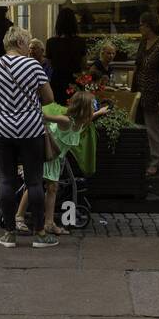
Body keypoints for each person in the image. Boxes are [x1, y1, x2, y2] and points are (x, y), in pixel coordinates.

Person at [0, 25, 61, 249]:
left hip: (1, 128)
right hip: (30, 128)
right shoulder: (32, 65)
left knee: (6, 180)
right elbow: (49, 98)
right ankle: (39, 233)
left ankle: (9, 233)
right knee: (34, 181)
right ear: (20, 43)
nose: (29, 48)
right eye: (27, 43)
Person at [15, 89, 109, 236]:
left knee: (51, 188)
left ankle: (49, 223)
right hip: (44, 155)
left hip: (54, 159)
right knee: (35, 185)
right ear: (83, 110)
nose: (94, 109)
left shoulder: (81, 122)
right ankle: (19, 217)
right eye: (92, 107)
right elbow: (44, 117)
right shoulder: (66, 121)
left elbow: (89, 118)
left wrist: (100, 113)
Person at [133, 12, 159, 177]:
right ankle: (144, 160)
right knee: (141, 128)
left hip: (154, 94)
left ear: (149, 26)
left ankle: (156, 163)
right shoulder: (143, 42)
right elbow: (137, 65)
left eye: (141, 24)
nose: (140, 27)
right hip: (140, 93)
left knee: (154, 130)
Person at [46, 7, 89, 105]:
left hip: (57, 81)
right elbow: (84, 64)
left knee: (58, 111)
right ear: (74, 23)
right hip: (75, 80)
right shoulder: (80, 42)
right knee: (75, 110)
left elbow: (49, 64)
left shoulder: (51, 42)